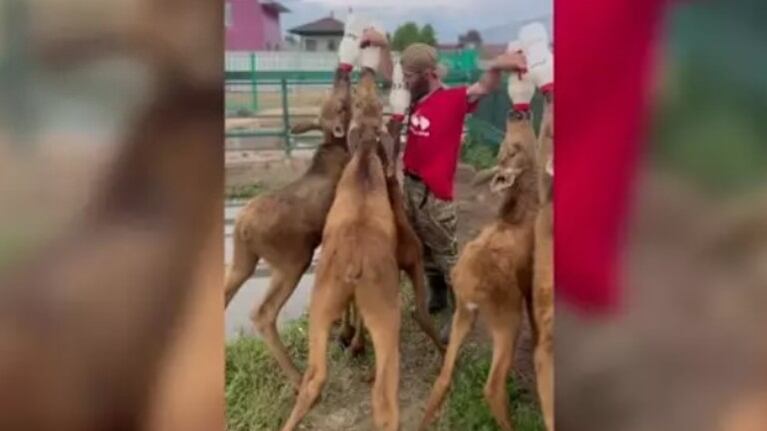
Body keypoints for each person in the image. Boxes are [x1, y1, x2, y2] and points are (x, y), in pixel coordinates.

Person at [359, 29, 527, 341]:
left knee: (447, 254)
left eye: (410, 76)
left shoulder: (453, 99)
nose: (404, 81)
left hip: (435, 195)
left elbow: (484, 87)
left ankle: (459, 308)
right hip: (410, 186)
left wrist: (497, 65)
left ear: (430, 73)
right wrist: (383, 45)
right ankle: (435, 293)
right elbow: (389, 72)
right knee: (422, 247)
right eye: (405, 76)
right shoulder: (412, 97)